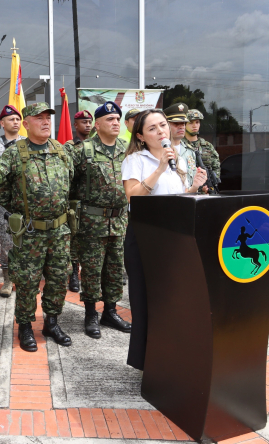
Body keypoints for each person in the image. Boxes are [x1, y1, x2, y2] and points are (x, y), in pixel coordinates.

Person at [121, 109, 207, 370]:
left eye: (163, 126)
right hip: (145, 237)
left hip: (173, 238)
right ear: (141, 136)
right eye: (153, 129)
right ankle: (145, 361)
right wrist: (159, 169)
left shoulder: (177, 160)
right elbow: (133, 197)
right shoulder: (136, 160)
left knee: (172, 301)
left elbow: (176, 199)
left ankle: (170, 357)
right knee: (146, 301)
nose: (161, 132)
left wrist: (193, 188)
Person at [0, 102, 74, 352]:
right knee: (27, 282)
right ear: (26, 124)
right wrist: (22, 212)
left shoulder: (60, 150)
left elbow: (69, 180)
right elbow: (0, 186)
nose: (46, 121)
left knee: (59, 278)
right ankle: (25, 326)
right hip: (29, 232)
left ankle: (51, 322)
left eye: (48, 117)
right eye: (38, 118)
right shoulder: (15, 153)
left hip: (59, 230)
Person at [69, 101, 131, 339]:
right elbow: (69, 185)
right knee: (92, 271)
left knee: (114, 269)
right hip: (91, 224)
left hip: (118, 222)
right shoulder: (83, 150)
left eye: (117, 119)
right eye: (109, 119)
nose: (115, 123)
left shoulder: (127, 150)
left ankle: (111, 311)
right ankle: (90, 314)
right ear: (97, 124)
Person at [0, 104, 25, 298]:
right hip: (3, 205)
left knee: (28, 241)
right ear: (2, 123)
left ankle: (26, 276)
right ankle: (8, 278)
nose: (15, 122)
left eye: (18, 119)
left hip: (26, 203)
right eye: (11, 119)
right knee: (6, 242)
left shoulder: (27, 143)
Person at [67, 109, 94, 294]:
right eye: (83, 122)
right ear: (75, 125)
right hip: (76, 201)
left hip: (93, 202)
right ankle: (74, 274)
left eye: (89, 121)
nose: (88, 124)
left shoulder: (96, 145)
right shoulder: (69, 147)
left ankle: (90, 274)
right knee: (75, 241)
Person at [164, 103, 197, 187]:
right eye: (176, 124)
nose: (181, 127)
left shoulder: (190, 151)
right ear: (166, 126)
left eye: (183, 124)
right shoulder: (161, 150)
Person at [184, 109, 221, 179]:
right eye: (191, 123)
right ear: (185, 124)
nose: (195, 126)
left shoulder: (207, 146)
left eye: (197, 122)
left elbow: (216, 167)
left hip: (205, 187)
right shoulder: (180, 145)